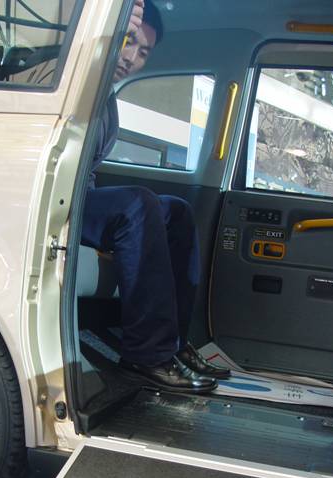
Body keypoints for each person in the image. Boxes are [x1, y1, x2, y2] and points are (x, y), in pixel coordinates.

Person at [81, 0, 230, 394]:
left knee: (176, 212)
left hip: (81, 201)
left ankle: (173, 345)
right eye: (127, 41)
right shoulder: (70, 78)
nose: (131, 57)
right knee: (136, 203)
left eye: (143, 52)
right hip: (52, 203)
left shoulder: (106, 98)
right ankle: (146, 356)